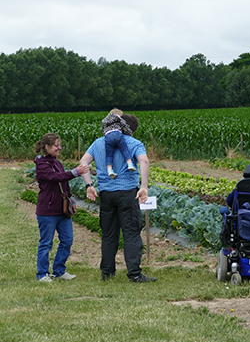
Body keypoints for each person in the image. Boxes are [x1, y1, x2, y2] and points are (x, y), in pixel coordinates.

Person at [79, 113, 157, 282]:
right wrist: (144, 186)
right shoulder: (134, 143)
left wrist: (89, 185)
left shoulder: (98, 143)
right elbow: (143, 161)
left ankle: (107, 273)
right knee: (131, 234)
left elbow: (83, 163)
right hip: (128, 193)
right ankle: (134, 274)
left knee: (108, 234)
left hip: (106, 194)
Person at [34, 133, 89, 282]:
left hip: (62, 210)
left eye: (59, 145)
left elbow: (64, 183)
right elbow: (55, 177)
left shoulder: (57, 162)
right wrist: (75, 172)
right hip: (47, 211)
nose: (59, 148)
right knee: (46, 243)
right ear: (47, 147)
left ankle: (59, 270)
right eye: (56, 145)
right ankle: (42, 274)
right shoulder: (41, 165)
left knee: (67, 240)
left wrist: (71, 200)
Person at [102, 108, 136, 179]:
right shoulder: (119, 119)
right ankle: (130, 164)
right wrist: (129, 134)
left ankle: (110, 170)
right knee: (124, 149)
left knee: (109, 155)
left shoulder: (105, 121)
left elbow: (103, 130)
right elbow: (125, 127)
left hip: (108, 137)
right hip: (118, 135)